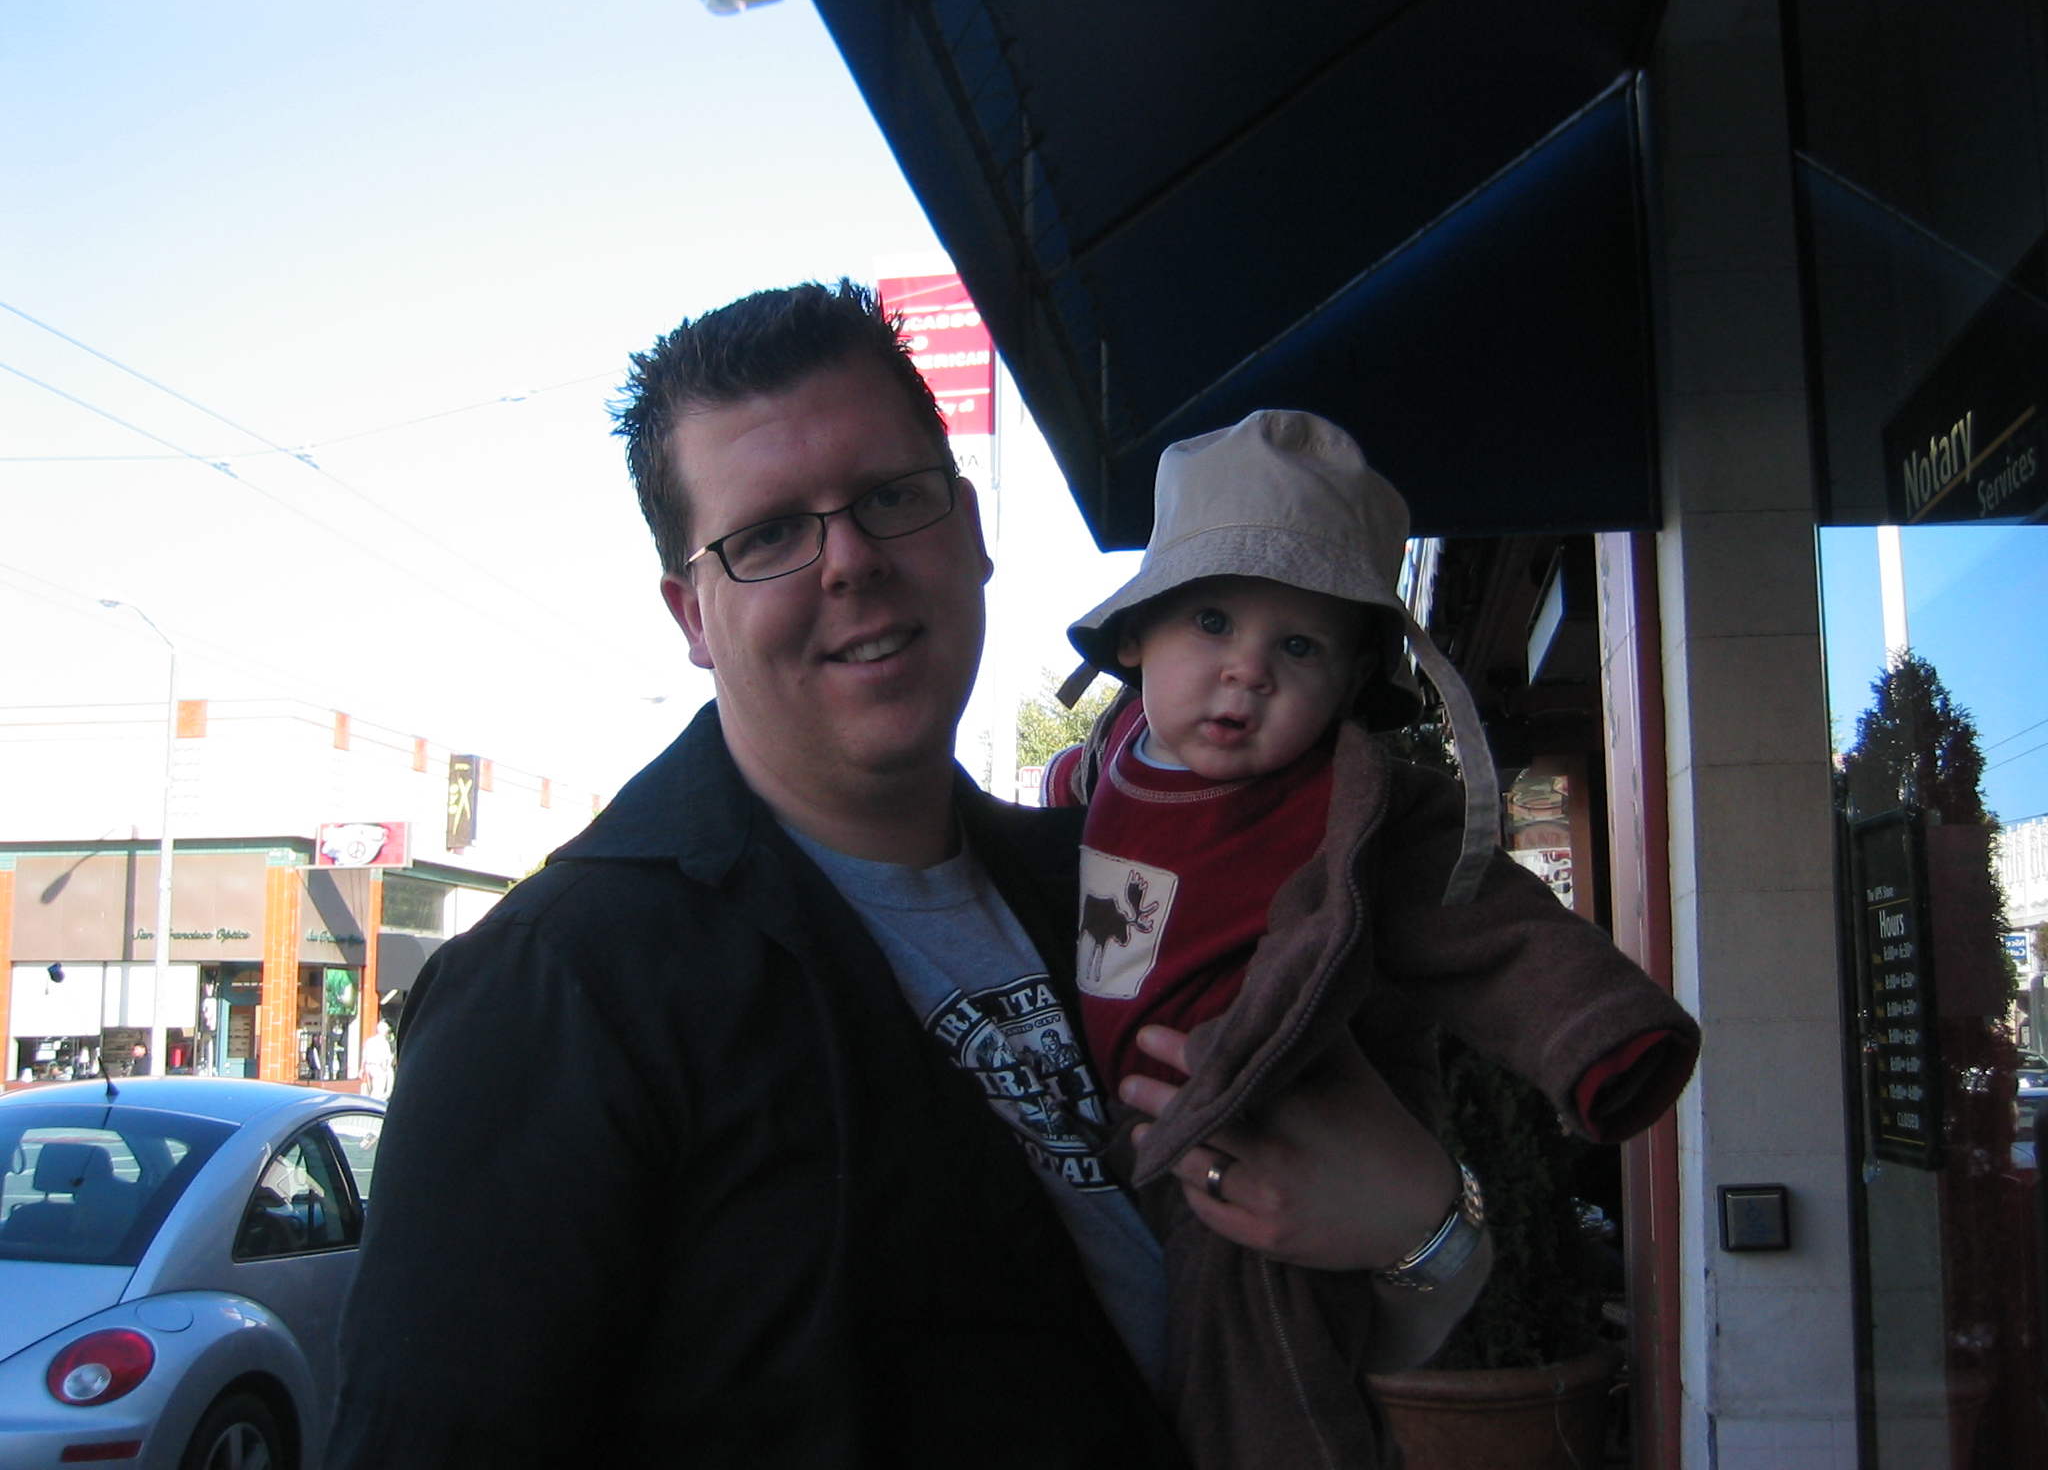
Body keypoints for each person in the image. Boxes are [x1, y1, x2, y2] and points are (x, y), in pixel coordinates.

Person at [329, 283, 1490, 1470]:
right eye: (767, 534)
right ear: (692, 615)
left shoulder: (1107, 880)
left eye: (890, 496)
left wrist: (1428, 1226)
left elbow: (1299, 1319)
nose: (849, 562)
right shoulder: (554, 993)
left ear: (970, 529)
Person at [1042, 409, 1700, 1467]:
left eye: (1297, 646)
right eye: (1211, 621)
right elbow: (1082, 823)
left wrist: (1603, 1037)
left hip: (1268, 1146)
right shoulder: (1109, 761)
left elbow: (1491, 922)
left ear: (1350, 686)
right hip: (1122, 1153)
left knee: (1265, 1400)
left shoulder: (1352, 809)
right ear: (1134, 637)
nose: (1247, 670)